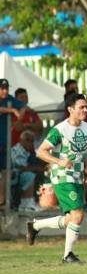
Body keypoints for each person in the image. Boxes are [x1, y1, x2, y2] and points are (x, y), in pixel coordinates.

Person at [27, 93, 87, 263]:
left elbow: (83, 150)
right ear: (70, 109)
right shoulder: (60, 130)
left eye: (86, 107)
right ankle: (67, 255)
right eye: (81, 107)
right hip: (62, 176)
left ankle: (35, 226)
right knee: (78, 214)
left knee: (72, 218)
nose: (85, 110)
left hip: (77, 174)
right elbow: (41, 151)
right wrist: (59, 161)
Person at [0, 78, 27, 207]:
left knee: (6, 171)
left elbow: (23, 106)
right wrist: (12, 110)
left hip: (5, 142)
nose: (5, 91)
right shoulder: (8, 102)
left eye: (6, 88)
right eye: (2, 89)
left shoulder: (10, 99)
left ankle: (3, 201)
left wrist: (19, 118)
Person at [12, 130, 45, 211]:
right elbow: (20, 167)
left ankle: (31, 202)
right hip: (14, 174)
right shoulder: (16, 150)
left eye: (32, 140)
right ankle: (26, 204)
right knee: (29, 175)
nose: (30, 142)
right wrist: (35, 168)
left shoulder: (29, 152)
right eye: (27, 140)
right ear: (21, 140)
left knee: (36, 174)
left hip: (20, 173)